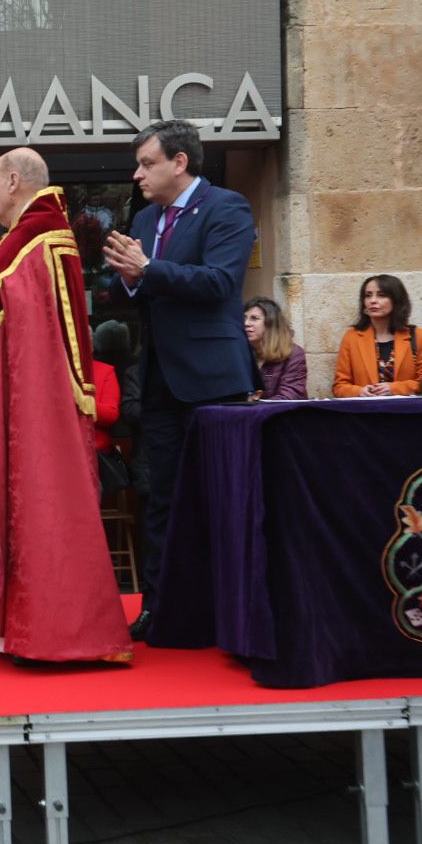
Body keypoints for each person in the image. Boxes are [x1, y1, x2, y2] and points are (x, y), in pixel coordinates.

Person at [0, 148, 131, 664]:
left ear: (15, 180)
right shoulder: (33, 235)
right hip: (36, 396)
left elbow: (13, 304)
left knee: (41, 500)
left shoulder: (37, 236)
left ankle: (56, 629)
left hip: (37, 405)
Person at [101, 120, 257, 641]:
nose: (137, 173)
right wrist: (128, 281)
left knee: (221, 496)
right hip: (160, 379)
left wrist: (147, 270)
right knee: (160, 496)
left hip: (214, 380)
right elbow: (144, 285)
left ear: (180, 162)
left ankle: (231, 609)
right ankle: (157, 608)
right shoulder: (145, 217)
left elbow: (219, 283)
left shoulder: (226, 207)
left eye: (147, 163)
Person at [332, 274, 422, 397]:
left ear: (396, 300)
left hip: (406, 412)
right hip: (365, 412)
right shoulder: (352, 337)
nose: (373, 300)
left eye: (381, 295)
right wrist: (359, 392)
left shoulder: (418, 336)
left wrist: (395, 389)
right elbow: (339, 386)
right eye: (368, 295)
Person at [244, 297, 307, 400]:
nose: (246, 323)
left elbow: (290, 396)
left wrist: (256, 406)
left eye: (254, 318)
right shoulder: (241, 353)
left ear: (270, 324)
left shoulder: (294, 354)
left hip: (282, 414)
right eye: (244, 318)